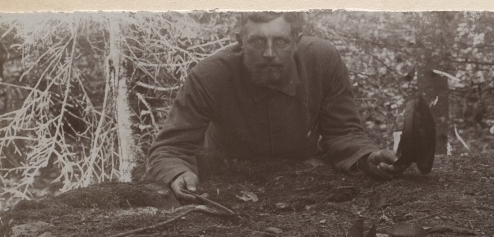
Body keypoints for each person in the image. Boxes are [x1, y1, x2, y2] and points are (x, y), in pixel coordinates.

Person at [146, 11, 404, 200]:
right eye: (258, 42)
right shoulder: (209, 75)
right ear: (240, 41)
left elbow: (344, 132)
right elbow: (170, 148)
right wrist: (178, 174)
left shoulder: (322, 61)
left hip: (306, 184)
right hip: (229, 180)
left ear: (296, 40)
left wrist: (368, 157)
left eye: (280, 42)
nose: (269, 53)